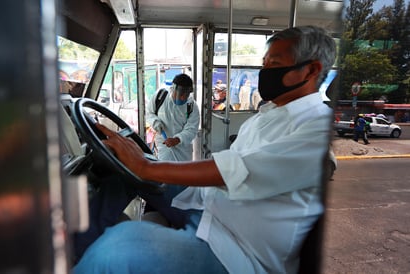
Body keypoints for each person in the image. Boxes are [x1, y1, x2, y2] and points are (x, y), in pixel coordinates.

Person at [74, 25, 337, 274]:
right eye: (264, 64)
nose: (265, 71)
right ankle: (74, 248)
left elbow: (238, 170)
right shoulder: (267, 115)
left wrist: (147, 166)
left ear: (311, 70)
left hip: (237, 250)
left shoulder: (317, 131)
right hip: (208, 206)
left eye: (275, 65)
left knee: (117, 248)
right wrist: (142, 162)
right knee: (122, 172)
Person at [146, 74, 200, 161]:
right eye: (180, 94)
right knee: (165, 171)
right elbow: (149, 113)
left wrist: (178, 139)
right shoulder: (160, 97)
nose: (183, 98)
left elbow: (192, 129)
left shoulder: (192, 106)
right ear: (173, 89)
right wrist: (155, 122)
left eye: (186, 95)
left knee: (184, 173)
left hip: (183, 150)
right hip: (164, 146)